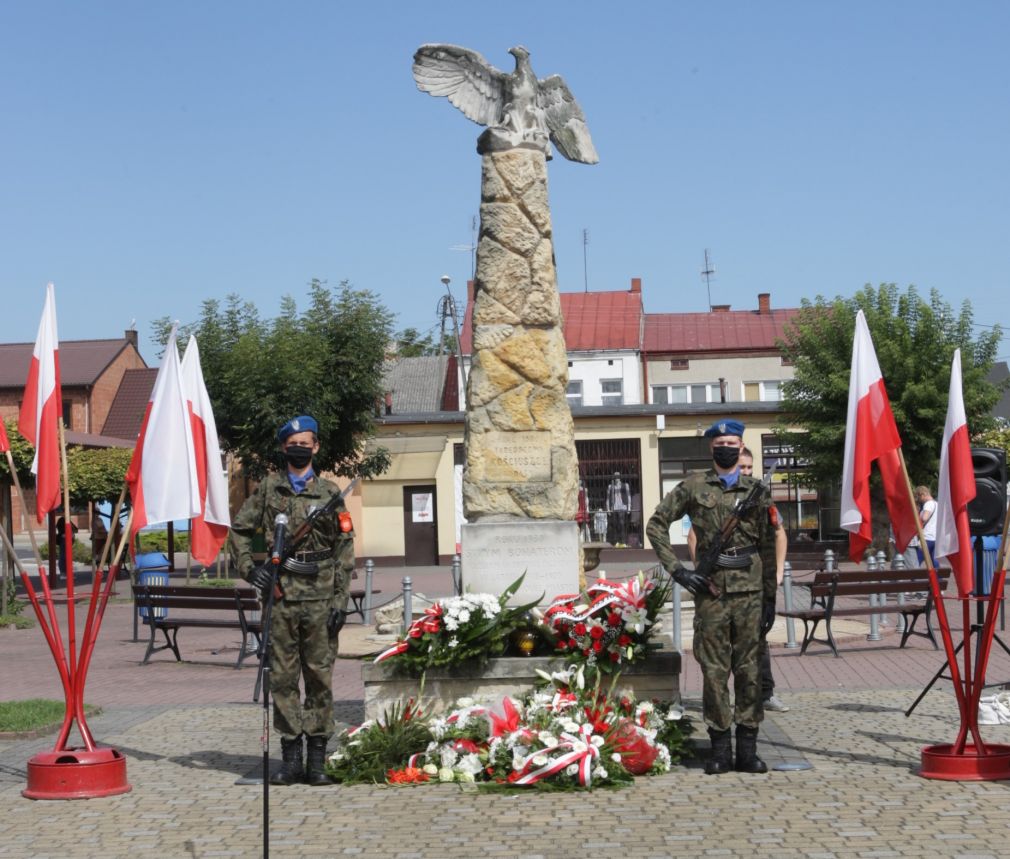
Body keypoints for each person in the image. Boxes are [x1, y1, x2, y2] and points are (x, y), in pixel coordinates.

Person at [230, 415, 355, 786]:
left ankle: (317, 759)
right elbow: (238, 531)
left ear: (315, 447)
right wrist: (251, 572)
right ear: (284, 448)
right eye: (293, 443)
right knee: (282, 678)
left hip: (319, 599)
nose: (299, 448)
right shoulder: (269, 490)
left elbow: (344, 548)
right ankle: (290, 759)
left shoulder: (331, 493)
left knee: (319, 676)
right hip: (281, 599)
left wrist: (340, 601)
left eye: (306, 442)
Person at [647, 420, 774, 775]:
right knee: (715, 672)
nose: (727, 447)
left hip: (749, 592)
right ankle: (720, 748)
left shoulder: (757, 491)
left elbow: (766, 544)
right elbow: (656, 524)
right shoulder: (693, 486)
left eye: (733, 442)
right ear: (711, 448)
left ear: (741, 446)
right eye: (721, 442)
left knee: (749, 671)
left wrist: (770, 598)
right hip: (712, 593)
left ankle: (748, 749)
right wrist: (679, 570)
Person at [686, 447, 788, 713]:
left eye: (748, 468)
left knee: (756, 644)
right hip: (718, 584)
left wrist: (776, 572)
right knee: (716, 651)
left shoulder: (761, 497)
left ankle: (764, 693)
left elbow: (778, 534)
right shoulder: (714, 495)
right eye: (741, 467)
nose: (745, 472)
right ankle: (720, 709)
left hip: (750, 584)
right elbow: (694, 536)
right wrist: (700, 569)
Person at [915, 485, 937, 567]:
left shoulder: (928, 504)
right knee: (933, 562)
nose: (919, 500)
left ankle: (912, 579)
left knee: (917, 561)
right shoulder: (936, 504)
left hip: (926, 537)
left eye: (919, 496)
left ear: (923, 494)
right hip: (935, 537)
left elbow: (924, 518)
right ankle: (939, 579)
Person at [606, 472, 631, 544]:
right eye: (615, 476)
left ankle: (623, 541)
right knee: (614, 525)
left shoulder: (625, 485)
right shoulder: (610, 486)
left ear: (620, 477)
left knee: (622, 524)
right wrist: (608, 509)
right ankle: (616, 541)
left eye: (618, 476)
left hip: (622, 507)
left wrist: (629, 507)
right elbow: (608, 498)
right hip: (614, 507)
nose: (616, 478)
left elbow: (628, 496)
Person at [54, 514, 79, 578]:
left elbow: (76, 529)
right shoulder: (62, 520)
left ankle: (68, 573)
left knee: (67, 557)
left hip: (67, 540)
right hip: (64, 540)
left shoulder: (67, 521)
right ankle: (63, 573)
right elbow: (60, 530)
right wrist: (65, 534)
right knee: (63, 556)